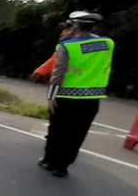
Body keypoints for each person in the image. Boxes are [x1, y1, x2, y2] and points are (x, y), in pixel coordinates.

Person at [39, 11, 114, 177]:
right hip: (92, 98)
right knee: (77, 134)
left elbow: (58, 75)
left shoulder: (66, 46)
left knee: (58, 131)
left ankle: (49, 160)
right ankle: (62, 166)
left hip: (66, 97)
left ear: (75, 25)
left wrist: (51, 97)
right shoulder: (108, 43)